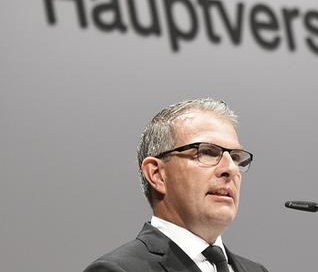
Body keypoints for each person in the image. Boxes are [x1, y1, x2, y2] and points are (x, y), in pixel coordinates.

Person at [84, 98, 269, 272]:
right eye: (207, 152)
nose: (230, 168)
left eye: (236, 157)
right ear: (157, 174)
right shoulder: (118, 269)